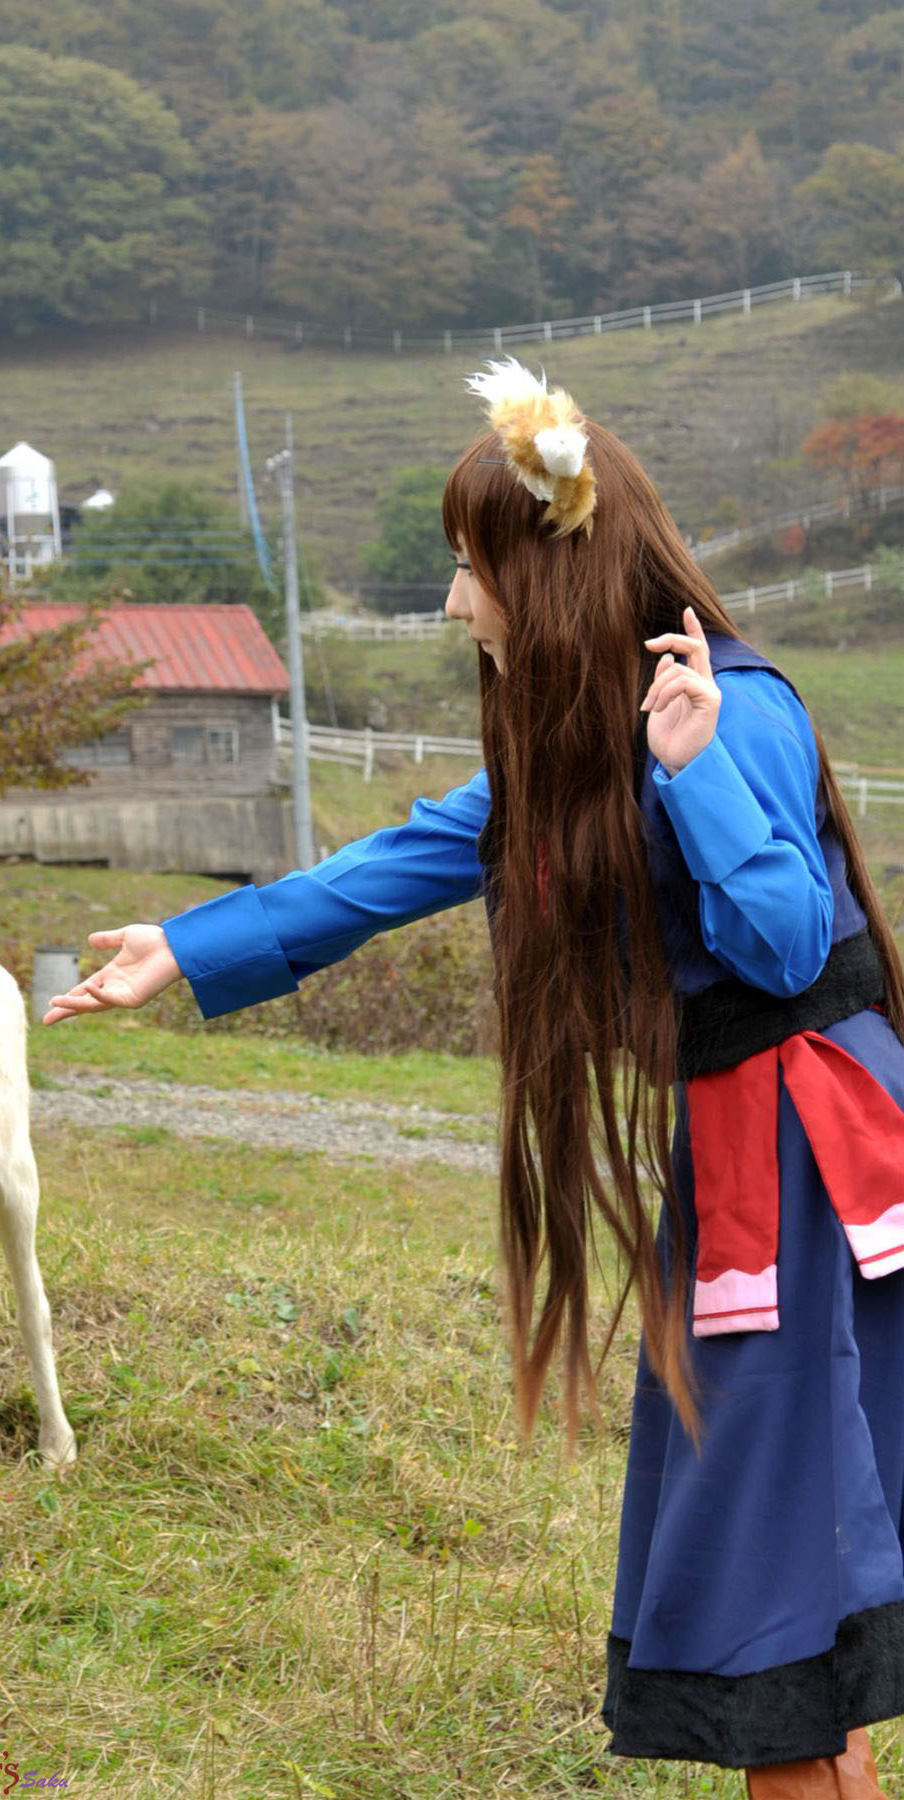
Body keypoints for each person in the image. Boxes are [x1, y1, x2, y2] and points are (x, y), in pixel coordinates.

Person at [44, 360, 904, 1796]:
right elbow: (398, 862)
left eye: (469, 568)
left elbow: (783, 942)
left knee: (771, 1540)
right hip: (741, 1149)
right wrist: (187, 946)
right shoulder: (566, 751)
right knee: (787, 1524)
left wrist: (692, 777)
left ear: (546, 571)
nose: (455, 605)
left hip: (808, 1151)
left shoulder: (720, 711)